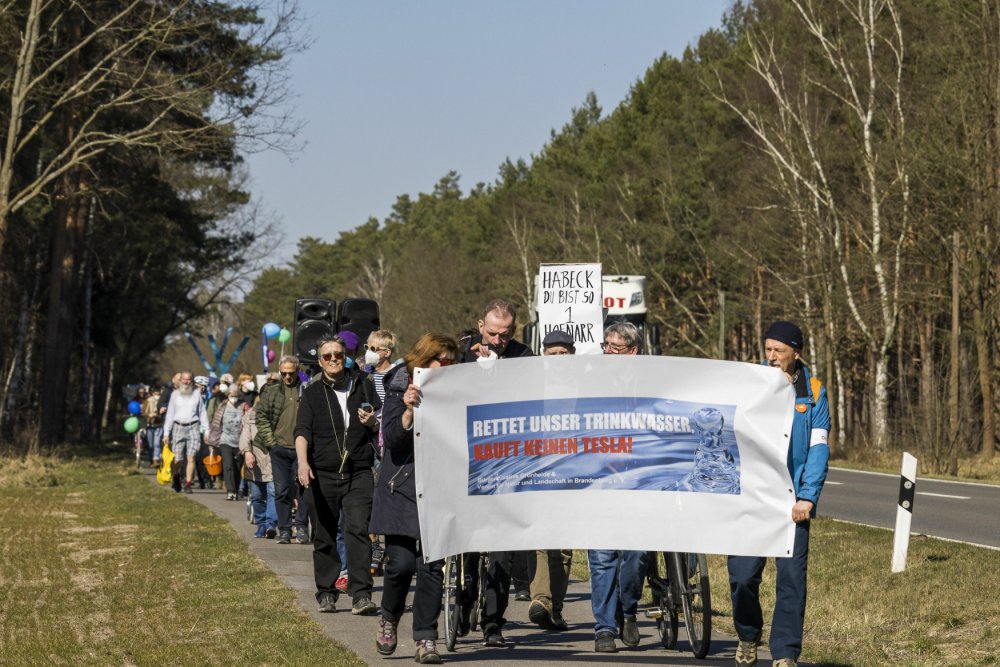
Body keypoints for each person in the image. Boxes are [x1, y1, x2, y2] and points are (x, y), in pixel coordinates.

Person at [728, 320, 830, 667]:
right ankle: (747, 634)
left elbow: (818, 447)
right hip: (752, 497)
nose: (771, 357)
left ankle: (785, 653)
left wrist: (808, 497)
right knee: (743, 577)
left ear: (795, 353)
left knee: (791, 581)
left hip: (792, 502)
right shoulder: (750, 382)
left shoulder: (813, 390)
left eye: (779, 351)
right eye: (768, 349)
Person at [370, 333, 459, 664]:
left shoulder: (456, 389)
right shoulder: (398, 383)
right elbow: (391, 438)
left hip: (438, 487)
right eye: (442, 360)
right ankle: (389, 617)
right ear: (426, 359)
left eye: (453, 361)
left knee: (432, 565)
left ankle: (425, 638)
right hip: (401, 486)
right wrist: (408, 410)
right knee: (402, 565)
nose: (447, 366)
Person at [458, 298, 533, 648]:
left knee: (502, 551)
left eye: (505, 334)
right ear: (479, 325)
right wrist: (469, 366)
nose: (498, 340)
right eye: (492, 333)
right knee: (469, 542)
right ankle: (465, 590)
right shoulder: (461, 352)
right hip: (465, 460)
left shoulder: (524, 357)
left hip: (507, 464)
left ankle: (493, 621)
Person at [294, 334, 382, 615]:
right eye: (327, 356)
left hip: (358, 472)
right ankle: (326, 592)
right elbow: (301, 432)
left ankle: (361, 595)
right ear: (319, 361)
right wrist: (302, 463)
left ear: (345, 357)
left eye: (338, 355)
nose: (333, 359)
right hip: (321, 473)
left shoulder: (364, 385)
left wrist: (373, 423)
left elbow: (381, 425)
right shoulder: (311, 392)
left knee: (357, 530)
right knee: (324, 534)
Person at [589, 322, 649, 653]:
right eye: (606, 346)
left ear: (633, 352)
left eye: (616, 348)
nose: (609, 352)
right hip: (598, 480)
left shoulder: (650, 384)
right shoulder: (590, 384)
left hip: (640, 482)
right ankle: (604, 628)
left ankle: (628, 610)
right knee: (601, 555)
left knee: (637, 554)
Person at [527, 330, 576, 633]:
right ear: (543, 356)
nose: (558, 359)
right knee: (541, 540)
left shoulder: (586, 388)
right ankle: (541, 601)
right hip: (539, 469)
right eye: (552, 354)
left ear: (572, 355)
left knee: (566, 546)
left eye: (563, 354)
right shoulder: (531, 387)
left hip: (575, 471)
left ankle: (555, 608)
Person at [256, 355, 310, 544]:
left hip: (302, 449)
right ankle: (285, 529)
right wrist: (271, 443)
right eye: (284, 373)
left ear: (298, 371)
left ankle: (302, 526)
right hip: (279, 448)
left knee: (304, 489)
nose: (288, 377)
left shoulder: (306, 389)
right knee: (281, 491)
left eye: (291, 373)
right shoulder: (271, 391)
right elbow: (261, 417)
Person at [162, 371, 209, 494]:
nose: (186, 381)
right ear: (180, 380)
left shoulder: (196, 394)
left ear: (191, 381)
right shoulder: (175, 395)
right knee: (177, 459)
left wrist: (206, 430)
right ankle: (176, 475)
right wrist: (166, 433)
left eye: (188, 379)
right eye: (184, 379)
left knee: (191, 457)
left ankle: (188, 484)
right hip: (178, 427)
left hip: (193, 426)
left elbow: (202, 412)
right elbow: (170, 414)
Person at [240, 389, 278, 538]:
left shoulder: (279, 415)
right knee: (256, 495)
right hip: (254, 461)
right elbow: (244, 437)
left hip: (274, 460)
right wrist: (247, 452)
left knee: (273, 492)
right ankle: (261, 524)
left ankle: (270, 524)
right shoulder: (250, 414)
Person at [209, 383, 250, 500]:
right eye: (231, 395)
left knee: (237, 467)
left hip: (240, 442)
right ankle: (230, 491)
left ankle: (236, 490)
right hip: (225, 440)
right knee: (228, 466)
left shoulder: (244, 406)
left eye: (236, 395)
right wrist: (212, 443)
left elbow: (248, 423)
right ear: (228, 395)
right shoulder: (223, 406)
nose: (233, 397)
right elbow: (216, 424)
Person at [143, 386, 164, 468]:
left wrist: (157, 415)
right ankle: (151, 459)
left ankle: (156, 460)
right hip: (149, 425)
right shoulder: (148, 401)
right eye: (155, 392)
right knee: (150, 444)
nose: (157, 394)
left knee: (157, 443)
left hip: (159, 425)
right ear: (152, 393)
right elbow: (143, 411)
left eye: (158, 392)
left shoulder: (162, 401)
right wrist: (148, 415)